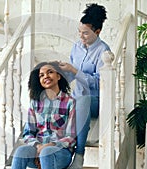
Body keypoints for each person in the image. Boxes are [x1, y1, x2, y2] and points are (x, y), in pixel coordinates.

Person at [59, 3, 110, 169]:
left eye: (86, 33)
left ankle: (79, 155)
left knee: (82, 101)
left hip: (96, 100)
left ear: (97, 32)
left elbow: (98, 83)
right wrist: (59, 73)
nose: (81, 36)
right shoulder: (77, 47)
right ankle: (55, 154)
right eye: (80, 32)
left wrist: (74, 70)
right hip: (78, 97)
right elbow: (70, 75)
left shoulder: (103, 51)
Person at [11, 62, 77, 169]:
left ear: (58, 76)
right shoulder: (35, 103)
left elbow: (71, 137)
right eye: (41, 75)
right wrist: (38, 147)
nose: (46, 76)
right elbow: (28, 134)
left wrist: (49, 146)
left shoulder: (70, 102)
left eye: (50, 72)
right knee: (21, 151)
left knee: (47, 152)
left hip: (60, 153)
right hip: (38, 150)